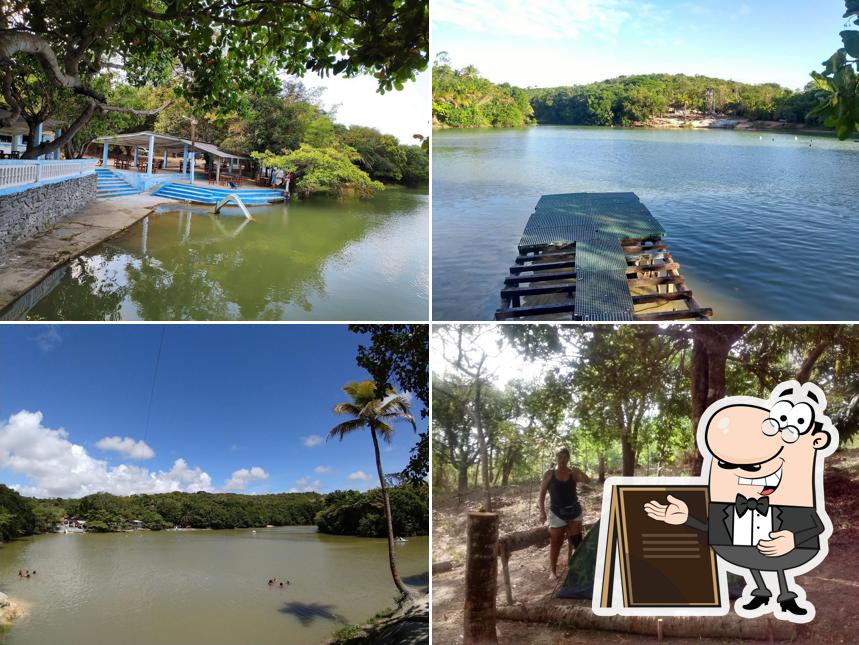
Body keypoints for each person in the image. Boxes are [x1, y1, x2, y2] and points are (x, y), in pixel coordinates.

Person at [538, 447, 591, 581]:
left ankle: (580, 568)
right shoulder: (550, 473)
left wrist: (580, 472)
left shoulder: (572, 472)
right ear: (556, 458)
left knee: (577, 541)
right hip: (556, 511)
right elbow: (542, 493)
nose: (562, 460)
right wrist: (542, 511)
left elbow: (588, 481)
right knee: (556, 541)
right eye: (560, 457)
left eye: (565, 457)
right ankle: (553, 571)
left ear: (568, 458)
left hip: (574, 510)